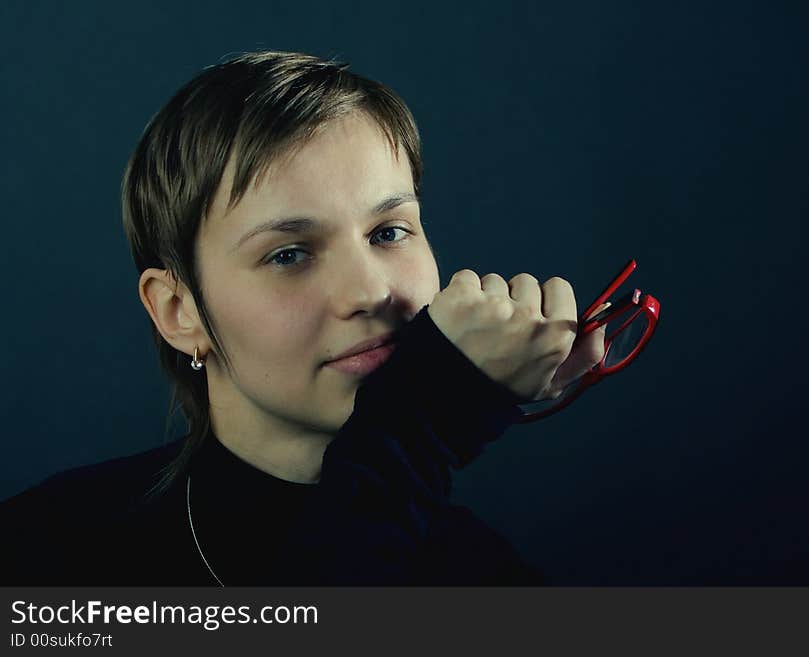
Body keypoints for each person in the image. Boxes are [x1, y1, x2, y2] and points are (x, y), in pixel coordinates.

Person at [0, 51, 606, 586]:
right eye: (288, 254)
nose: (371, 290)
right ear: (179, 312)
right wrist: (429, 420)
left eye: (389, 231)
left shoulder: (484, 579)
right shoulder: (41, 555)